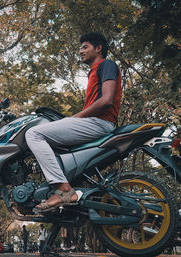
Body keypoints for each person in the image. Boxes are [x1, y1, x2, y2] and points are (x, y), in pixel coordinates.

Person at [25, 31, 122, 212]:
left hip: (99, 122)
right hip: (96, 122)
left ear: (98, 48)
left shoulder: (106, 65)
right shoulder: (93, 72)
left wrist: (77, 116)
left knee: (34, 133)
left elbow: (107, 99)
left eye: (85, 47)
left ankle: (64, 190)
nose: (80, 51)